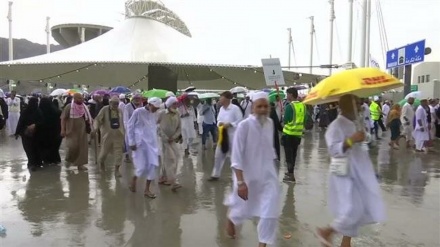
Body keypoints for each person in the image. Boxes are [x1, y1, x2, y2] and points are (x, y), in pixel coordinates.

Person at [316, 94, 385, 247]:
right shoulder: (336, 125)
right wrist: (351, 140)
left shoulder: (354, 123)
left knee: (361, 209)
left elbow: (362, 148)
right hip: (343, 172)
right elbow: (334, 150)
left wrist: (364, 138)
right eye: (357, 103)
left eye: (360, 103)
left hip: (359, 171)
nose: (360, 107)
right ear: (346, 106)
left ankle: (345, 243)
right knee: (352, 209)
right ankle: (327, 231)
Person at [225, 91, 280, 247]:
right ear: (252, 108)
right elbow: (236, 157)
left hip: (268, 176)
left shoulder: (270, 123)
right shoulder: (244, 126)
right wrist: (241, 182)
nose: (263, 109)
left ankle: (262, 244)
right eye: (259, 106)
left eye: (265, 106)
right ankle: (231, 218)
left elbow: (270, 150)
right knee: (242, 207)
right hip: (247, 176)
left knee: (270, 212)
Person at [127, 97, 162, 198]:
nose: (156, 110)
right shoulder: (138, 111)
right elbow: (130, 126)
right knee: (141, 167)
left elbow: (155, 127)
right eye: (155, 107)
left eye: (157, 108)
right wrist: (131, 142)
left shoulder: (154, 113)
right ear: (150, 104)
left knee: (153, 165)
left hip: (152, 144)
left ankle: (147, 189)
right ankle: (134, 179)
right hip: (140, 143)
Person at [208, 91, 243, 181]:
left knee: (234, 157)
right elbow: (218, 119)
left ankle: (237, 177)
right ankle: (215, 174)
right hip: (223, 134)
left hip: (233, 136)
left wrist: (231, 124)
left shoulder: (235, 109)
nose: (219, 99)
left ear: (227, 99)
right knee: (218, 155)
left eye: (221, 97)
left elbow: (240, 121)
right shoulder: (221, 109)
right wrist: (220, 123)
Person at [93, 96, 125, 177]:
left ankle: (117, 170)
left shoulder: (120, 111)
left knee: (119, 154)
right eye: (114, 103)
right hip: (107, 135)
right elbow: (97, 119)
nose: (116, 105)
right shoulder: (105, 109)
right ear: (110, 102)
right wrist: (96, 128)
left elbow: (122, 122)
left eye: (117, 103)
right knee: (104, 153)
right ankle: (102, 164)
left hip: (118, 135)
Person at [60, 93, 92, 171]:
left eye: (82, 98)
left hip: (82, 131)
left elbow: (87, 117)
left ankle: (80, 165)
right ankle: (69, 159)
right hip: (71, 131)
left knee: (82, 148)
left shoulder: (84, 107)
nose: (82, 100)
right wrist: (63, 129)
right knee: (72, 147)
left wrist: (90, 123)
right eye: (79, 98)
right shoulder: (69, 107)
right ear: (75, 98)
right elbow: (63, 119)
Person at [157, 97, 182, 191]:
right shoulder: (161, 113)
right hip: (164, 140)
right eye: (174, 104)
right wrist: (165, 137)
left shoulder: (177, 113)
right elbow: (156, 126)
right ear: (169, 104)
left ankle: (163, 177)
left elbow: (179, 127)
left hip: (172, 140)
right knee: (171, 159)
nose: (176, 106)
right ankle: (173, 181)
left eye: (176, 104)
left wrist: (175, 137)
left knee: (175, 156)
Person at [282, 87, 305, 182]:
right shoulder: (303, 106)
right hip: (298, 135)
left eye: (287, 94)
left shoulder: (289, 107)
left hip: (288, 134)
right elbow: (306, 119)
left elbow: (286, 120)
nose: (287, 96)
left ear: (291, 95)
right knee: (294, 155)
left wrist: (284, 115)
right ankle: (291, 172)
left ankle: (290, 175)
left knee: (288, 156)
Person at [15, 97, 43, 171]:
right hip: (32, 134)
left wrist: (17, 132)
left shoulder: (27, 111)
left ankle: (33, 163)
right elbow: (41, 121)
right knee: (32, 148)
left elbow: (20, 122)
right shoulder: (38, 111)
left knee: (30, 149)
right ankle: (34, 163)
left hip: (29, 134)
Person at [39, 97, 62, 165]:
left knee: (45, 148)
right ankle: (55, 160)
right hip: (56, 134)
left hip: (44, 134)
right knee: (54, 149)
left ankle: (47, 160)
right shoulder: (57, 112)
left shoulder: (40, 112)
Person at [123, 94, 143, 161]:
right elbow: (125, 118)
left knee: (139, 141)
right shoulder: (128, 106)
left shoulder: (141, 106)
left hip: (139, 127)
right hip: (130, 126)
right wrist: (128, 127)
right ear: (133, 99)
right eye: (136, 98)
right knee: (128, 141)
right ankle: (127, 155)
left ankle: (138, 155)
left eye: (138, 98)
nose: (137, 100)